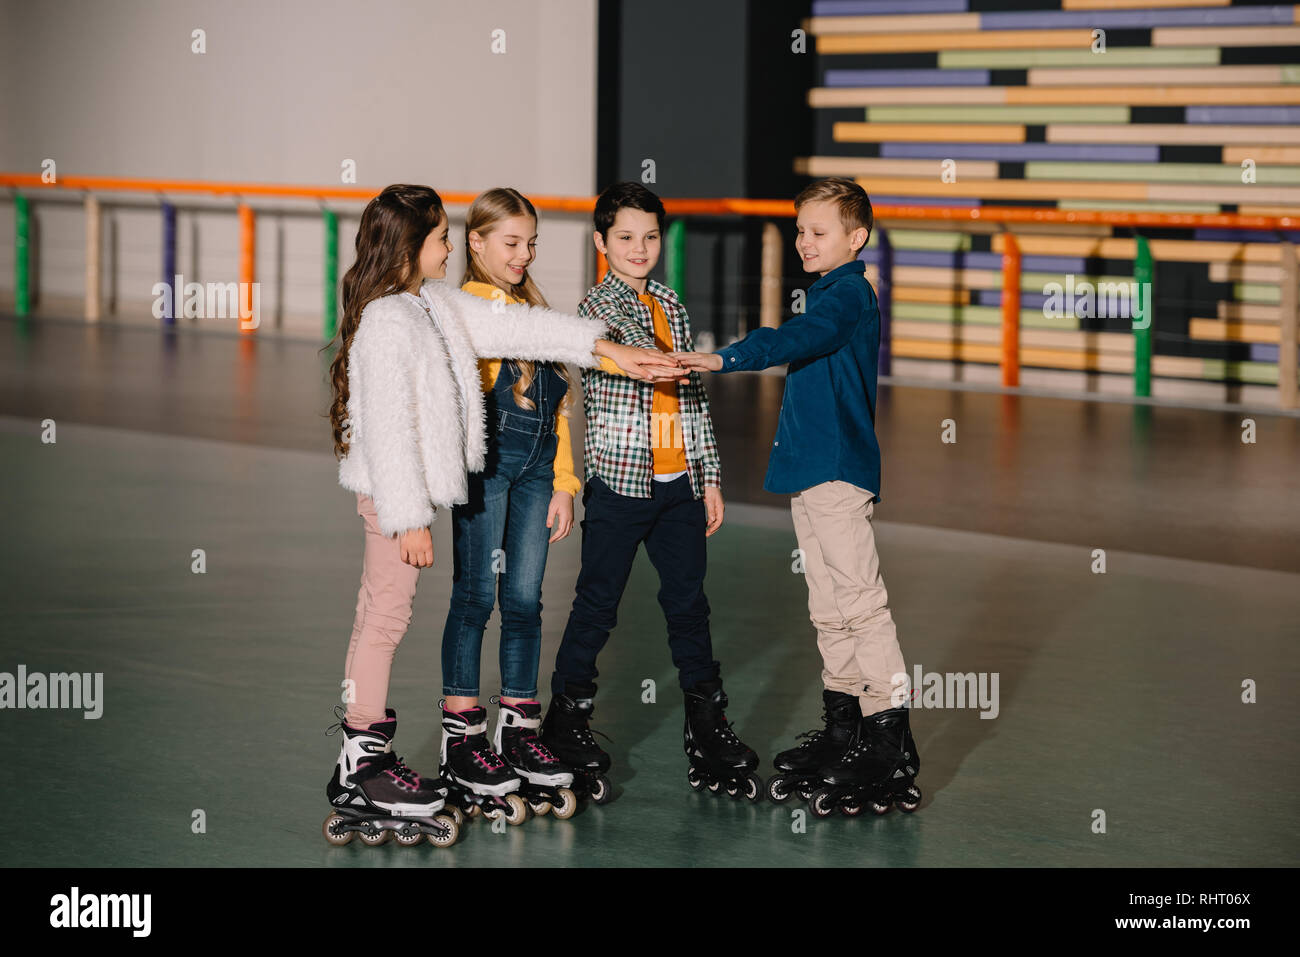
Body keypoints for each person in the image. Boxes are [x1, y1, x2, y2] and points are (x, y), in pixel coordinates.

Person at [323, 184, 681, 839]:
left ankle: (360, 756)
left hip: (402, 495)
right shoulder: (387, 320)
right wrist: (408, 517)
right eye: (439, 239)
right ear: (410, 248)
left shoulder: (431, 302)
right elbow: (385, 427)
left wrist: (609, 350)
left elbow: (521, 325)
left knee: (379, 613)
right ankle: (361, 765)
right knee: (385, 618)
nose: (449, 247)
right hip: (389, 494)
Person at [672, 176, 921, 817]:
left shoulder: (848, 297)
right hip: (811, 471)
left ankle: (889, 737)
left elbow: (795, 340)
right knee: (828, 606)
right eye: (800, 229)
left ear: (855, 238)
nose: (803, 241)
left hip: (838, 471)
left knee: (861, 603)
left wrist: (726, 358)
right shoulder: (827, 291)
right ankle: (844, 728)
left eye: (818, 232)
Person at [539, 182, 763, 804]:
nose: (641, 249)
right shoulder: (597, 308)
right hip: (622, 486)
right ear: (602, 244)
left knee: (689, 606)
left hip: (679, 488)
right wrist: (677, 359)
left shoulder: (671, 302)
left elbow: (691, 395)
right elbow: (644, 360)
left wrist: (708, 474)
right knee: (596, 605)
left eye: (650, 236)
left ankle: (707, 722)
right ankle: (568, 717)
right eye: (626, 238)